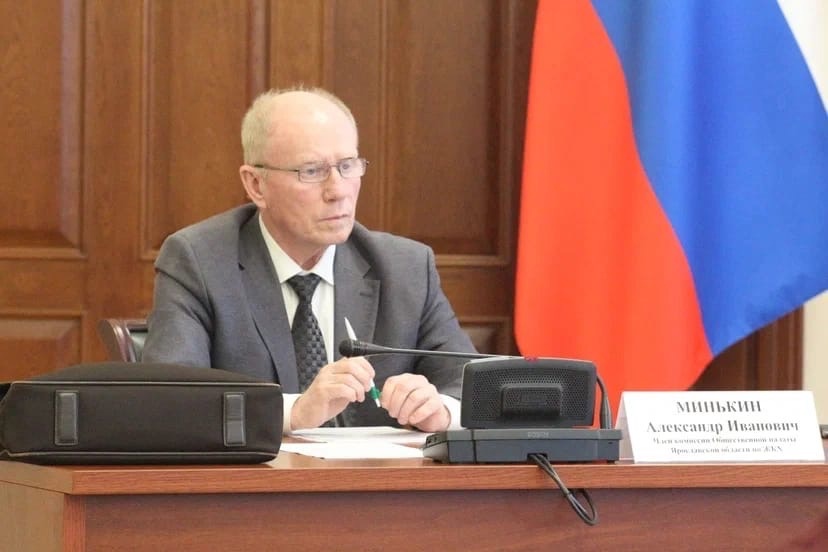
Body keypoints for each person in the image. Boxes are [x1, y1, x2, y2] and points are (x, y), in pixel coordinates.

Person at [141, 86, 477, 433]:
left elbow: (477, 388)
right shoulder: (200, 262)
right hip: (261, 470)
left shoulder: (405, 268)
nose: (338, 190)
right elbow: (172, 402)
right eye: (312, 171)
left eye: (347, 166)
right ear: (256, 185)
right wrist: (295, 412)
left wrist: (442, 411)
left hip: (379, 469)